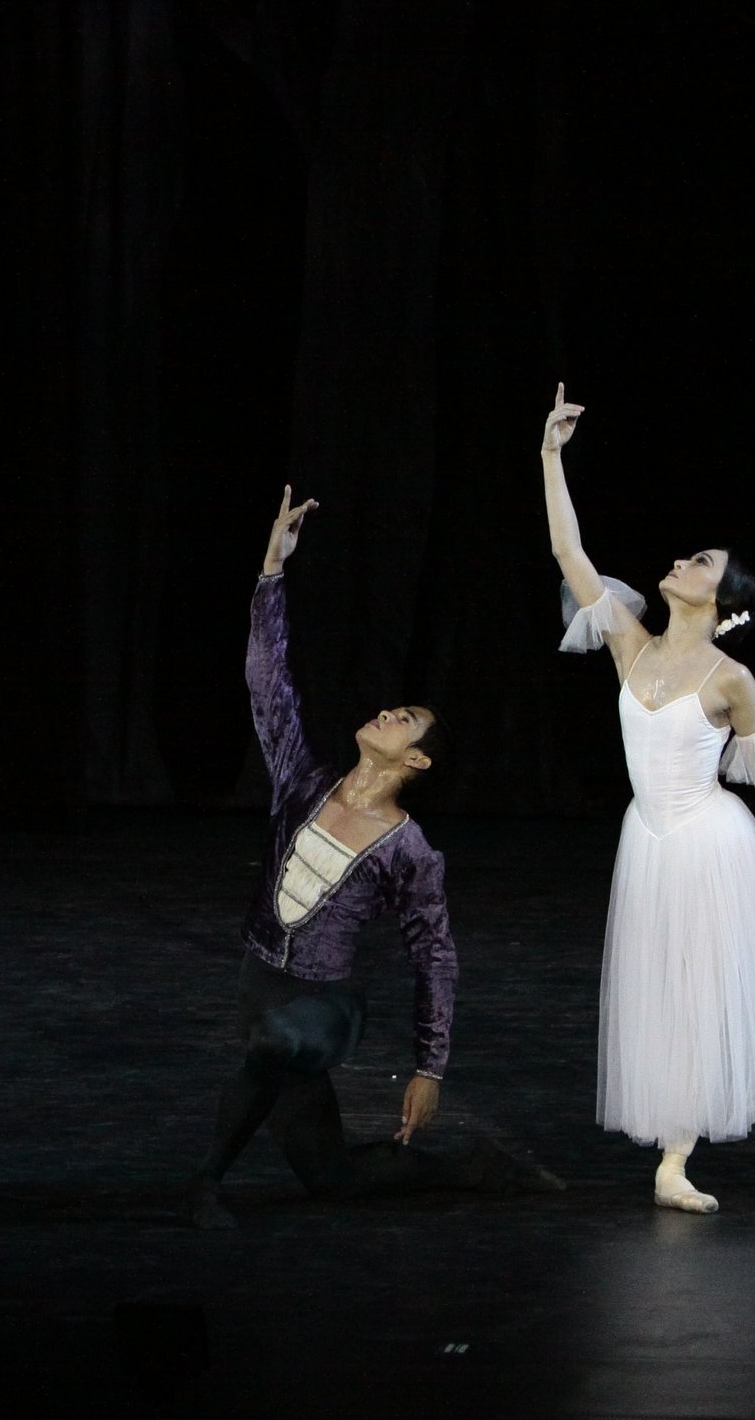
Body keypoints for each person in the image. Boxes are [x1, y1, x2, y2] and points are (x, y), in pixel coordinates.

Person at [189, 489, 556, 1229]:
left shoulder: (410, 848)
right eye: (393, 707)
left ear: (415, 758)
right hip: (261, 976)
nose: (388, 711)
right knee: (332, 1176)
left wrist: (430, 1067)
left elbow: (436, 957)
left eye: (405, 718)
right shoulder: (304, 780)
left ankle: (203, 1184)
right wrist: (270, 573)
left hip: (324, 1005)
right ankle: (474, 1169)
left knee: (278, 1048)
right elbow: (270, 686)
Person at [542, 384, 755, 1213]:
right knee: (665, 989)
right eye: (690, 555)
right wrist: (551, 455)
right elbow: (570, 557)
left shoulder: (730, 677)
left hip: (711, 840)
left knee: (716, 984)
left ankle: (703, 1146)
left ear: (724, 599)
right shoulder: (630, 639)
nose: (683, 562)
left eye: (703, 562)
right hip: (651, 838)